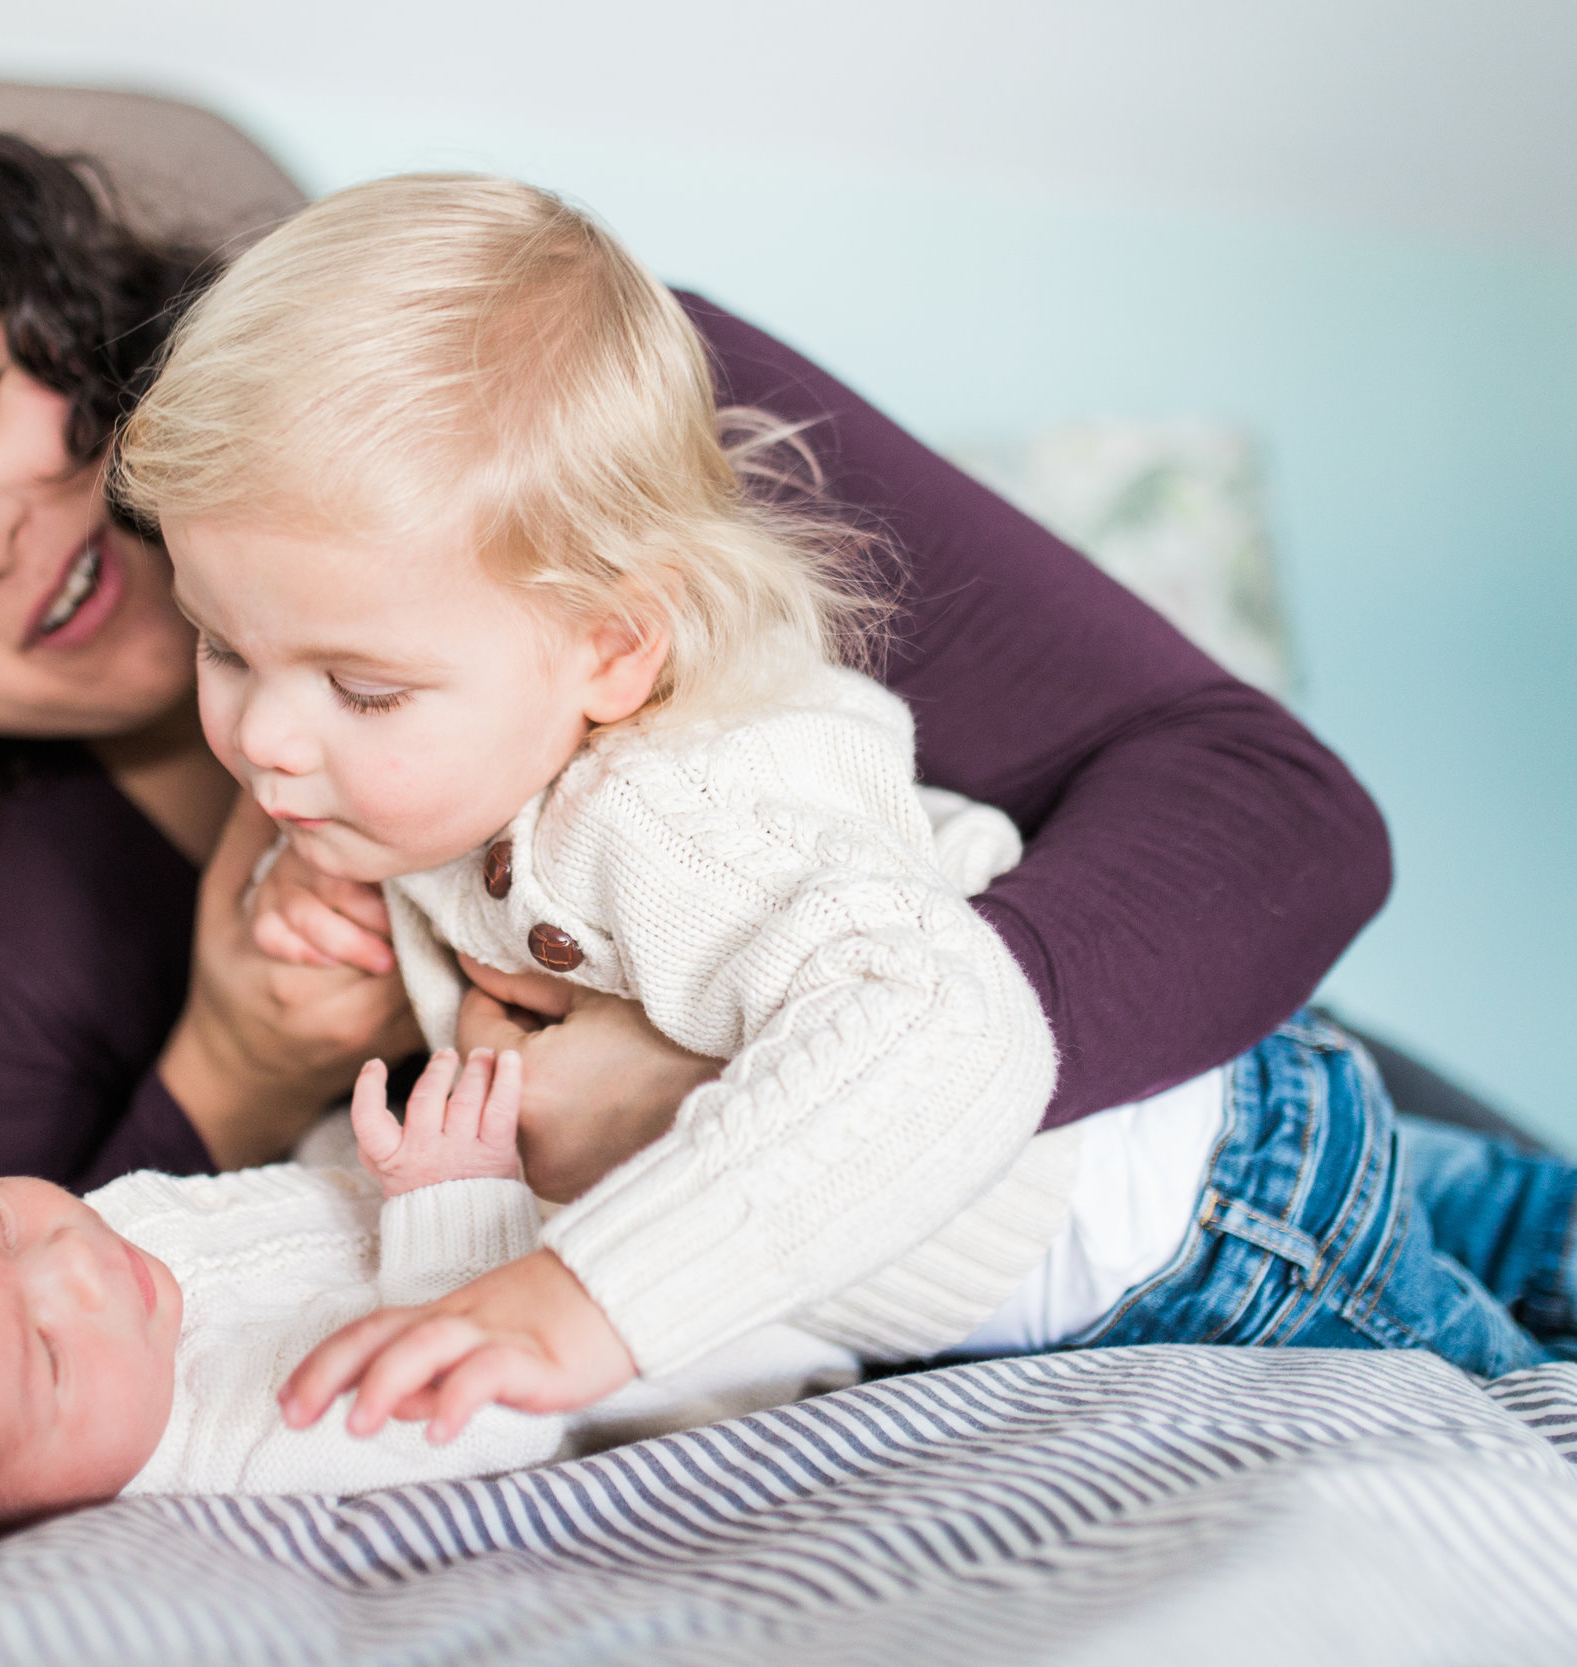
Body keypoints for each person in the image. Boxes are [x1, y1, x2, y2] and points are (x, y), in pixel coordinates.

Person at [0, 120, 1395, 1208]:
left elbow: (1272, 808)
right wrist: (223, 1066)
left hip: (1263, 1150)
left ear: (51, 313)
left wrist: (761, 1093)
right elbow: (2, 1350)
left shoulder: (528, 422)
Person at [106, 173, 1577, 1444]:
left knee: (1521, 1470)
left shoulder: (677, 810)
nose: (263, 743)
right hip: (1197, 1166)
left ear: (615, 648)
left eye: (359, 690)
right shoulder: (455, 793)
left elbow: (951, 1026)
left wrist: (581, 1300)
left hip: (1214, 1225)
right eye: (224, 648)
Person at [0, 1050, 854, 1562]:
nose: (73, 1265)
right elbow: (469, 1430)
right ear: (13, 1528)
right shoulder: (238, 1446)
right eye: (44, 1352)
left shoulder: (59, 1320)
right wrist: (462, 1212)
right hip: (666, 1306)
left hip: (403, 1177)